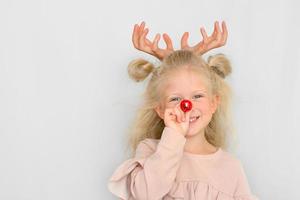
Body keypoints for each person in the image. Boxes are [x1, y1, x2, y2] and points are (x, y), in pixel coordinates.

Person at [107, 21, 259, 200]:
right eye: (175, 99)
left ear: (214, 103)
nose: (187, 106)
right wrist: (173, 136)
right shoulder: (150, 152)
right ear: (160, 110)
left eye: (197, 96)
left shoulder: (231, 167)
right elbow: (145, 195)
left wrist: (181, 62)